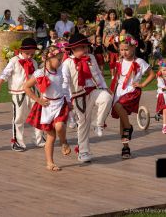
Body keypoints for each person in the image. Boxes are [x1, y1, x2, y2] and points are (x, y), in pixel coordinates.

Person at [62, 33, 113, 163]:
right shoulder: (67, 63)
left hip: (93, 91)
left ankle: (98, 123)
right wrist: (67, 100)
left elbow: (98, 74)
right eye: (81, 47)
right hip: (78, 96)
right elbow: (65, 83)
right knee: (83, 124)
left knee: (107, 98)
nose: (85, 50)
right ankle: (83, 152)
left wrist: (104, 87)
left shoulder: (91, 57)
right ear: (73, 49)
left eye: (86, 47)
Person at [0, 38, 45, 151]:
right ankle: (17, 141)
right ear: (21, 51)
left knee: (38, 115)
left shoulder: (34, 62)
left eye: (32, 53)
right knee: (19, 118)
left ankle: (38, 138)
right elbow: (4, 74)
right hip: (19, 93)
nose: (30, 56)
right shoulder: (14, 60)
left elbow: (36, 78)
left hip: (33, 92)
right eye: (27, 53)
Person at [24, 46, 72, 171]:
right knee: (50, 136)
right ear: (48, 59)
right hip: (47, 106)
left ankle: (64, 142)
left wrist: (68, 100)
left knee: (60, 126)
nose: (60, 62)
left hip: (60, 103)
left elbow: (65, 87)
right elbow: (26, 87)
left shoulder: (60, 71)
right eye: (58, 59)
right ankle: (50, 162)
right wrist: (38, 99)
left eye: (61, 59)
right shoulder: (40, 73)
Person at [110, 34, 155, 159]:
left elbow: (152, 74)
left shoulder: (139, 62)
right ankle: (126, 148)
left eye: (126, 49)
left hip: (132, 91)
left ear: (133, 48)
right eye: (121, 49)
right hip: (120, 91)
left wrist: (142, 84)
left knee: (119, 107)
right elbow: (119, 77)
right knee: (121, 120)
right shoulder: (120, 60)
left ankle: (129, 127)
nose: (124, 52)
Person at [103, 9, 121, 78]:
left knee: (117, 57)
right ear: (109, 15)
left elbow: (120, 32)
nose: (112, 16)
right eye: (111, 14)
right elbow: (105, 32)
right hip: (108, 41)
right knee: (110, 58)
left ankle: (117, 73)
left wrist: (120, 40)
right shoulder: (106, 22)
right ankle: (112, 74)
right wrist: (103, 41)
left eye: (113, 14)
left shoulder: (118, 22)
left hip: (116, 41)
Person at [156, 60, 166, 134]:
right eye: (164, 70)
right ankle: (164, 126)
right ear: (160, 71)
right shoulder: (160, 78)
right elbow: (162, 87)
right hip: (162, 95)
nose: (165, 72)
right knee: (165, 111)